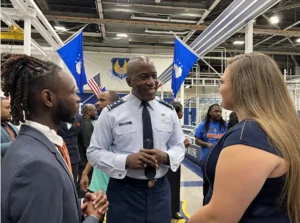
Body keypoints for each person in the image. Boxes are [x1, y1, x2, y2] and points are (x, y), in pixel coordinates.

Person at [189, 52, 300, 223]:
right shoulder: (280, 129)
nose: (219, 88)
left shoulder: (248, 135)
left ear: (242, 86)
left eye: (222, 82)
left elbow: (217, 217)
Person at [1, 54, 108, 223]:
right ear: (48, 98)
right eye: (72, 92)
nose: (78, 98)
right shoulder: (37, 164)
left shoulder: (35, 145)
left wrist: (76, 206)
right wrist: (93, 217)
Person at [87, 56, 186, 223]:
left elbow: (179, 146)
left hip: (160, 192)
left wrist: (166, 157)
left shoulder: (168, 111)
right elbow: (94, 153)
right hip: (124, 191)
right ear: (129, 81)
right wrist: (125, 161)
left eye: (154, 76)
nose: (151, 82)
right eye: (144, 77)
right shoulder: (112, 113)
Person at [80, 91, 119, 223]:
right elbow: (95, 152)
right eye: (98, 100)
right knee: (95, 216)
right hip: (98, 183)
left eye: (102, 100)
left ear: (114, 104)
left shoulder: (126, 126)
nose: (97, 103)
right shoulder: (96, 125)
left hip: (117, 182)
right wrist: (85, 173)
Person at [194, 104, 227, 202]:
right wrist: (207, 144)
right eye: (216, 111)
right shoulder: (203, 125)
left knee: (221, 183)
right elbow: (197, 140)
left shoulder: (225, 125)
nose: (218, 114)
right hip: (206, 159)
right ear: (210, 112)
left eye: (220, 111)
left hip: (222, 159)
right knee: (207, 182)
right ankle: (206, 202)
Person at [167, 101, 190, 222]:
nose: (182, 113)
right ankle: (169, 212)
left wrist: (183, 144)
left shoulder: (176, 126)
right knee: (169, 187)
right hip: (167, 161)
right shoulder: (167, 126)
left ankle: (174, 210)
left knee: (175, 187)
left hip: (176, 160)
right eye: (181, 110)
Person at [58, 112, 83, 187]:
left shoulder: (78, 117)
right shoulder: (56, 116)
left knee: (73, 182)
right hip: (59, 154)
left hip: (74, 156)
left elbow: (78, 134)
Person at [78, 103, 97, 189]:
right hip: (85, 161)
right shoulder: (86, 124)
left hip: (83, 160)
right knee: (84, 185)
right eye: (94, 110)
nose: (96, 112)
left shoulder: (84, 122)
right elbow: (88, 145)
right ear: (88, 112)